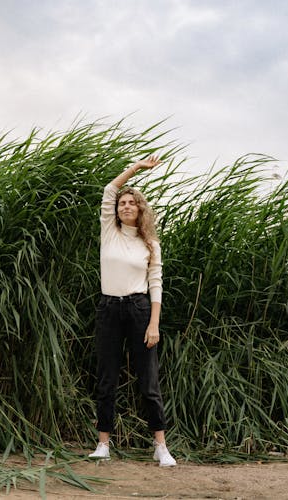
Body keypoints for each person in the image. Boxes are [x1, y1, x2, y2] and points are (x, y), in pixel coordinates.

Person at [88, 155, 176, 467]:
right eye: (122, 203)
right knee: (106, 378)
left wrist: (154, 324)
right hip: (109, 309)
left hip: (139, 310)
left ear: (140, 210)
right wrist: (137, 167)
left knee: (148, 381)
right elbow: (109, 189)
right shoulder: (108, 231)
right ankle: (103, 443)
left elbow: (156, 284)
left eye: (131, 203)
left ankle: (160, 446)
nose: (125, 206)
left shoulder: (150, 243)